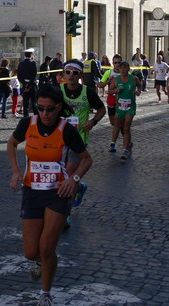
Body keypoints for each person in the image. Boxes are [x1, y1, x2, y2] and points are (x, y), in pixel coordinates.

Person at [7, 84, 93, 306]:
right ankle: (41, 263)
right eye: (41, 108)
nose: (45, 113)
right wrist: (16, 172)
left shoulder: (66, 129)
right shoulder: (28, 123)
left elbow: (86, 158)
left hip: (58, 192)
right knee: (30, 252)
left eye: (50, 109)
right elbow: (12, 143)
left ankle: (45, 294)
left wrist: (73, 180)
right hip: (31, 191)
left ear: (59, 108)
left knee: (47, 248)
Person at [60, 60, 105, 222]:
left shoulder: (88, 92)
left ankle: (66, 214)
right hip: (59, 138)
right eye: (68, 72)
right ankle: (80, 187)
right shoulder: (57, 91)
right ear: (63, 75)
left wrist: (93, 122)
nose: (71, 75)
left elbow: (101, 109)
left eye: (74, 72)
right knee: (60, 174)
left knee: (70, 174)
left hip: (79, 139)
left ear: (80, 75)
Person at [108, 61, 142, 160]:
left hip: (130, 107)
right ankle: (125, 144)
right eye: (121, 68)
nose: (122, 69)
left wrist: (138, 91)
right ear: (118, 69)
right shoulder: (115, 80)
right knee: (118, 125)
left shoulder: (134, 79)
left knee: (126, 127)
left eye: (125, 68)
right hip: (119, 107)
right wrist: (115, 90)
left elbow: (140, 86)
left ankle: (125, 150)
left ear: (128, 69)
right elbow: (109, 91)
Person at [17, 48, 38, 117]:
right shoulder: (33, 63)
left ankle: (25, 119)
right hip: (32, 85)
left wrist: (25, 84)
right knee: (34, 103)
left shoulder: (21, 64)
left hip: (24, 86)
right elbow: (34, 75)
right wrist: (29, 84)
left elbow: (19, 76)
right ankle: (36, 119)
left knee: (25, 104)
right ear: (31, 55)